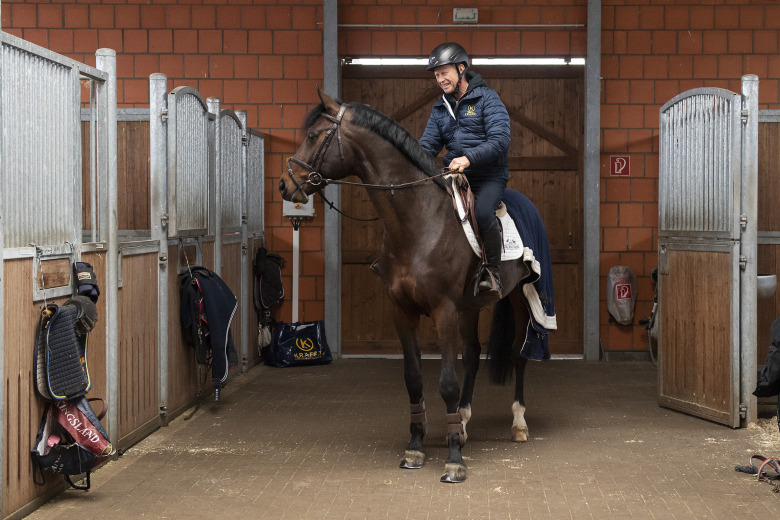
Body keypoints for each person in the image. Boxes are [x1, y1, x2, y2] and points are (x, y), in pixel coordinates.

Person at [419, 42, 511, 300]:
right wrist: (408, 161)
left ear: (461, 69)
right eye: (436, 75)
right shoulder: (440, 108)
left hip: (488, 176)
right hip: (455, 175)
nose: (440, 79)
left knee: (483, 213)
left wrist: (468, 159)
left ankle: (492, 274)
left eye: (444, 73)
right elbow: (427, 146)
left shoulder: (487, 99)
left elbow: (500, 139)